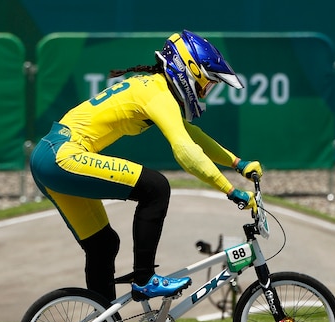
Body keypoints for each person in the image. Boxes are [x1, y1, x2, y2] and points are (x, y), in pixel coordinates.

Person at [30, 29, 263, 304]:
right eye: (206, 84)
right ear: (190, 70)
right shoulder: (158, 93)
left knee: (103, 246)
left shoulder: (154, 87)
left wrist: (237, 163)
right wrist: (230, 190)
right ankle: (144, 280)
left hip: (48, 157)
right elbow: (185, 151)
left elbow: (190, 135)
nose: (205, 93)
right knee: (156, 187)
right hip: (61, 155)